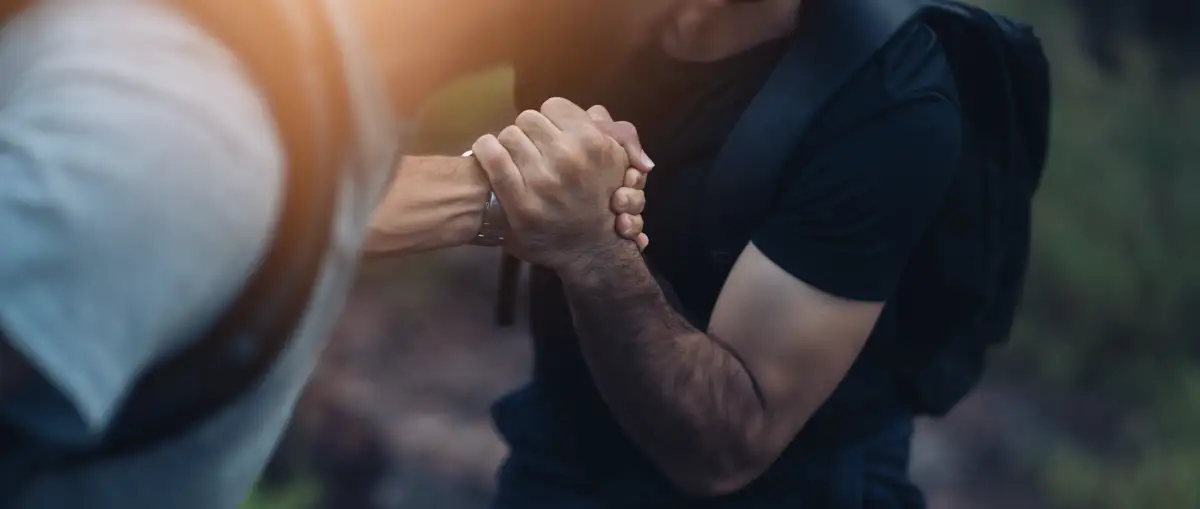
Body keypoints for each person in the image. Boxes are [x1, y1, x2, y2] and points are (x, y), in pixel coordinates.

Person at [0, 1, 649, 507]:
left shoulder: (285, 85)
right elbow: (176, 185)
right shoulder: (175, 129)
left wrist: (506, 192)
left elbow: (260, 202)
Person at [481, 0, 983, 507]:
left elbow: (725, 451)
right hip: (562, 443)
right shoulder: (577, 16)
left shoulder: (887, 101)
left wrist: (593, 247)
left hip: (788, 490)